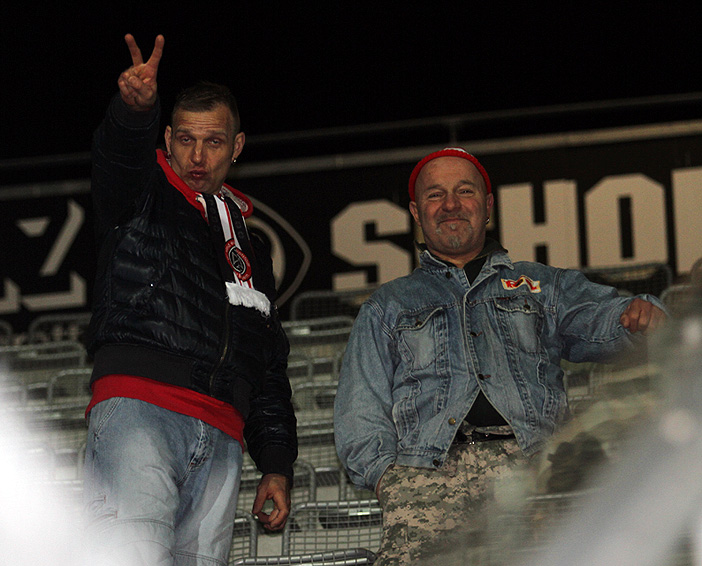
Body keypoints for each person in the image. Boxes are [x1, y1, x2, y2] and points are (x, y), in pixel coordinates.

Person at [334, 147, 666, 565]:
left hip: (535, 468)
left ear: (488, 205)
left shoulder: (542, 285)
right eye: (435, 195)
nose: (451, 204)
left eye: (464, 191)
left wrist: (640, 315)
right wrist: (389, 479)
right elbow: (359, 405)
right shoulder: (387, 306)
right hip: (426, 480)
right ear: (417, 213)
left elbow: (609, 319)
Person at [83, 34, 297, 566]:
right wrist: (134, 112)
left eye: (214, 142)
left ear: (237, 146)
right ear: (168, 139)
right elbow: (117, 159)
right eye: (185, 140)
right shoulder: (141, 197)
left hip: (223, 431)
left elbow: (266, 362)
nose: (197, 156)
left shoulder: (249, 244)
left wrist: (275, 461)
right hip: (140, 410)